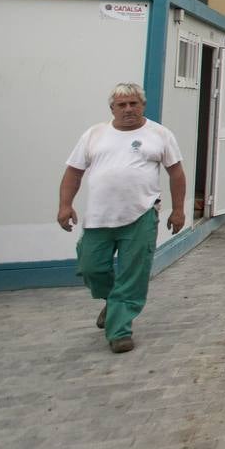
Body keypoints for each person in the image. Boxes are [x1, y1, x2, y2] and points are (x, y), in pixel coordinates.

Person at [57, 83, 186, 354]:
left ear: (143, 105)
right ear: (112, 108)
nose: (128, 109)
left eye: (134, 103)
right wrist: (65, 205)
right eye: (122, 104)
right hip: (98, 218)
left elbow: (176, 173)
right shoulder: (95, 134)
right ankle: (114, 303)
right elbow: (73, 173)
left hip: (141, 215)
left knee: (132, 276)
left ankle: (119, 332)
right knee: (92, 268)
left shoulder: (159, 134)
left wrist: (178, 210)